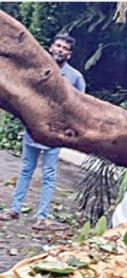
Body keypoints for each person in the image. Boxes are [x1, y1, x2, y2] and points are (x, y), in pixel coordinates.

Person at [0, 33, 86, 230]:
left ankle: (42, 216)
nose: (60, 50)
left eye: (64, 48)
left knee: (49, 174)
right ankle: (15, 209)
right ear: (51, 47)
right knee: (26, 170)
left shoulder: (75, 78)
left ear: (69, 54)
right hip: (32, 130)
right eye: (58, 46)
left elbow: (80, 107)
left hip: (55, 134)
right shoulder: (37, 71)